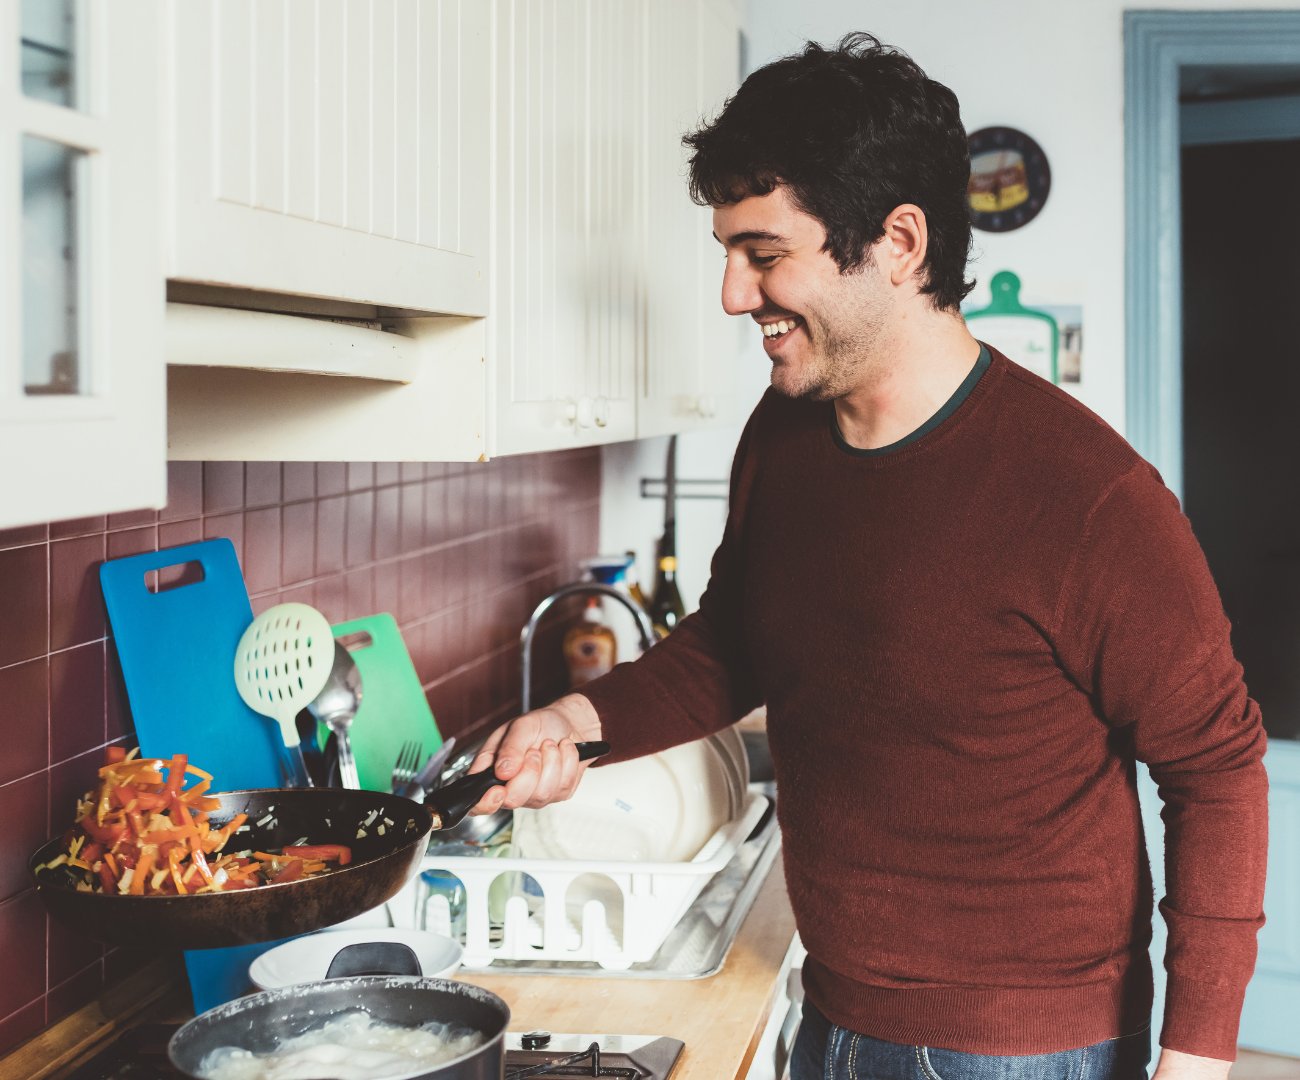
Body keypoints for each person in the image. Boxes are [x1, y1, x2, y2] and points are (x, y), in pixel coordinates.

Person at [468, 33, 1268, 1080]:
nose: (731, 295)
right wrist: (578, 719)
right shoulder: (784, 432)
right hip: (833, 1007)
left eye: (763, 254)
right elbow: (736, 640)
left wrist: (1198, 1058)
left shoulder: (1087, 500)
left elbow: (1214, 769)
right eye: (726, 255)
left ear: (897, 242)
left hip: (1022, 1049)